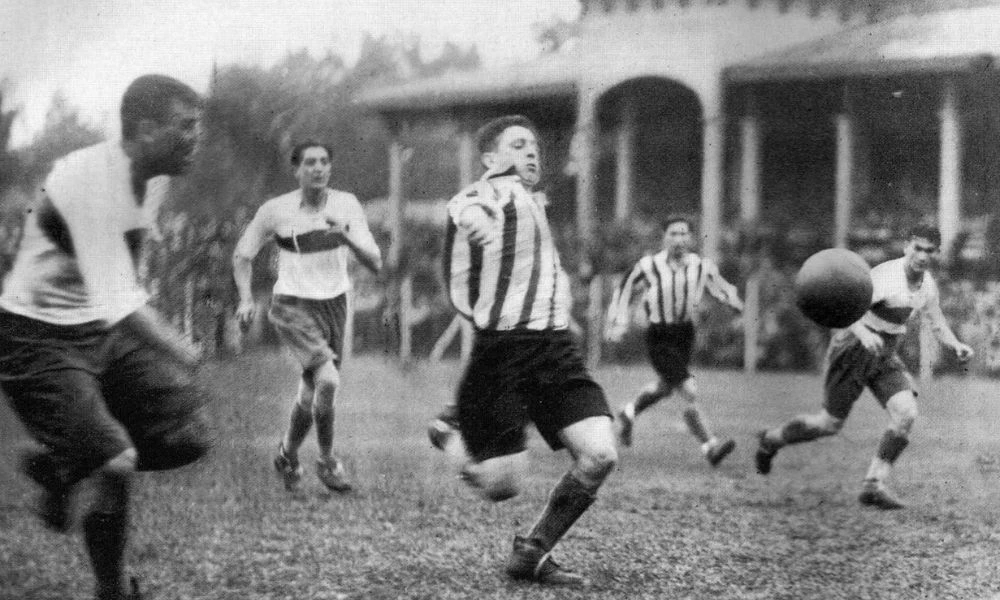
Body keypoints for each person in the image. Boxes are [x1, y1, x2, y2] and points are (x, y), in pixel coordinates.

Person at [0, 74, 212, 600]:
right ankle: (111, 588)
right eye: (185, 127)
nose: (196, 137)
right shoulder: (87, 180)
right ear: (145, 130)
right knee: (116, 460)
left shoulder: (154, 178)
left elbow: (123, 278)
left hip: (96, 328)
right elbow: (122, 300)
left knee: (188, 433)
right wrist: (180, 348)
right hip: (35, 336)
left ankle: (61, 463)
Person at [432, 115, 618, 586]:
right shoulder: (489, 192)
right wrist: (476, 225)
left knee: (600, 457)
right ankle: (451, 435)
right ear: (491, 159)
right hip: (505, 352)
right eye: (517, 144)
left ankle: (532, 551)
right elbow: (467, 204)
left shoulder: (535, 202)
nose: (531, 151)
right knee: (502, 487)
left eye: (534, 144)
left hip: (556, 350)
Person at [754, 225, 974, 509]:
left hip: (885, 353)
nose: (922, 256)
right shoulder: (885, 277)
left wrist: (956, 344)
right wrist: (865, 333)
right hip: (853, 347)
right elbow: (844, 308)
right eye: (917, 248)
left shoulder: (927, 284)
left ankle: (873, 485)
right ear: (906, 246)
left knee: (906, 413)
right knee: (828, 424)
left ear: (937, 253)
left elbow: (936, 320)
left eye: (929, 251)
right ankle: (771, 440)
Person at [233, 140, 381, 494]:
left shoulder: (346, 205)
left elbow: (375, 262)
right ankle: (328, 462)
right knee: (328, 381)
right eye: (310, 163)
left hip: (334, 303)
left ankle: (287, 453)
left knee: (310, 393)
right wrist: (244, 299)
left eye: (324, 162)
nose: (318, 168)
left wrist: (347, 238)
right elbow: (243, 254)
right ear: (296, 170)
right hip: (292, 304)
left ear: (331, 168)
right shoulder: (276, 211)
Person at [604, 217, 743, 466]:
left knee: (666, 387)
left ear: (690, 238)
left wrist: (735, 303)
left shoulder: (701, 266)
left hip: (684, 334)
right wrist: (619, 322)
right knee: (688, 389)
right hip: (659, 335)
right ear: (664, 237)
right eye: (673, 234)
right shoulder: (649, 266)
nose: (679, 239)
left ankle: (627, 414)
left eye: (683, 234)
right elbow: (624, 290)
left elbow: (720, 288)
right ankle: (710, 446)